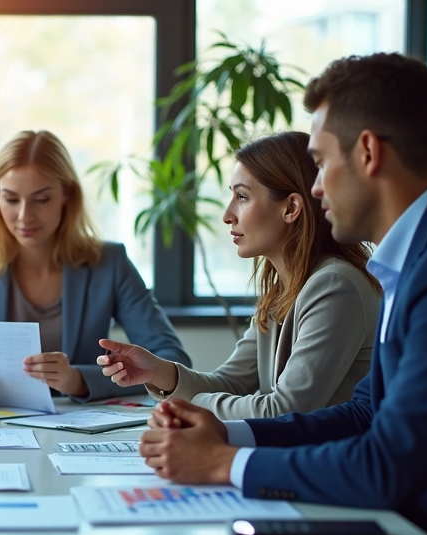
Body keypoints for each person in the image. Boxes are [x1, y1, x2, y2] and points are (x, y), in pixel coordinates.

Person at [139, 53, 427, 535]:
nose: (314, 188)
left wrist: (223, 463)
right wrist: (227, 433)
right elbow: (364, 415)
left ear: (367, 152)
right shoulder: (423, 255)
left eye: (319, 162)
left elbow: (388, 464)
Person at [0, 130, 189, 403]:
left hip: (82, 436)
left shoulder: (110, 265)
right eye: (11, 199)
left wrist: (78, 380)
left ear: (66, 195)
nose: (24, 216)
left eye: (41, 199)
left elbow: (171, 361)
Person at [99, 131, 381, 419]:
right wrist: (160, 372)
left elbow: (285, 411)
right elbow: (232, 383)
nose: (227, 214)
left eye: (242, 197)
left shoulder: (334, 286)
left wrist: (191, 408)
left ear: (291, 208)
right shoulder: (282, 290)